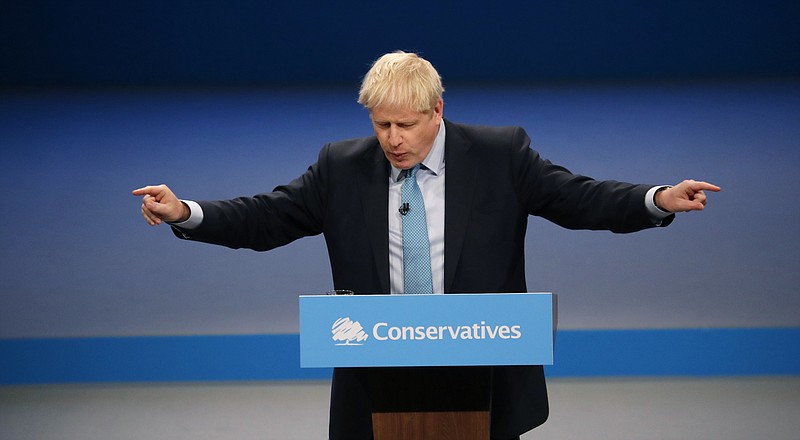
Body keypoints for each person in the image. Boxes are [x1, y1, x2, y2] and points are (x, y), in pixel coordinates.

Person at [133, 51, 720, 440]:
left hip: (483, 368)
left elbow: (579, 198)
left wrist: (658, 199)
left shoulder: (499, 155)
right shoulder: (341, 167)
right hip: (378, 371)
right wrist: (188, 212)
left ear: (437, 111)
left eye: (405, 125)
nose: (392, 140)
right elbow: (268, 217)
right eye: (380, 125)